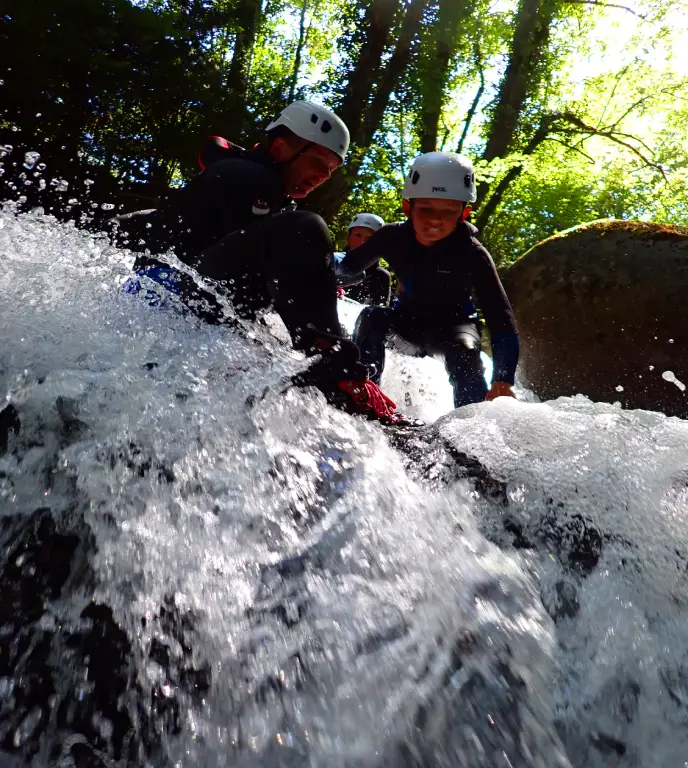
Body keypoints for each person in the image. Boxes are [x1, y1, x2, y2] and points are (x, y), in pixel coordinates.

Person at [110, 101, 409, 425]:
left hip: (172, 307)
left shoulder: (251, 183)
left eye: (331, 171)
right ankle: (338, 371)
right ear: (280, 148)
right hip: (169, 303)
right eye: (318, 162)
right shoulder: (250, 180)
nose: (323, 176)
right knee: (306, 227)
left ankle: (331, 366)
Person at [336, 151, 520, 408]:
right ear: (407, 208)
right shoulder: (392, 237)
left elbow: (501, 317)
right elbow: (347, 265)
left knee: (466, 353)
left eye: (448, 212)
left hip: (454, 330)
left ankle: (471, 421)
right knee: (372, 317)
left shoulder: (473, 253)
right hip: (406, 326)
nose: (435, 220)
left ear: (463, 214)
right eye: (426, 209)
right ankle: (363, 395)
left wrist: (503, 378)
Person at [334, 213, 391, 306]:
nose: (362, 242)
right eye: (358, 235)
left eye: (369, 238)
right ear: (347, 238)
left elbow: (380, 310)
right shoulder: (333, 263)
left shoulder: (381, 276)